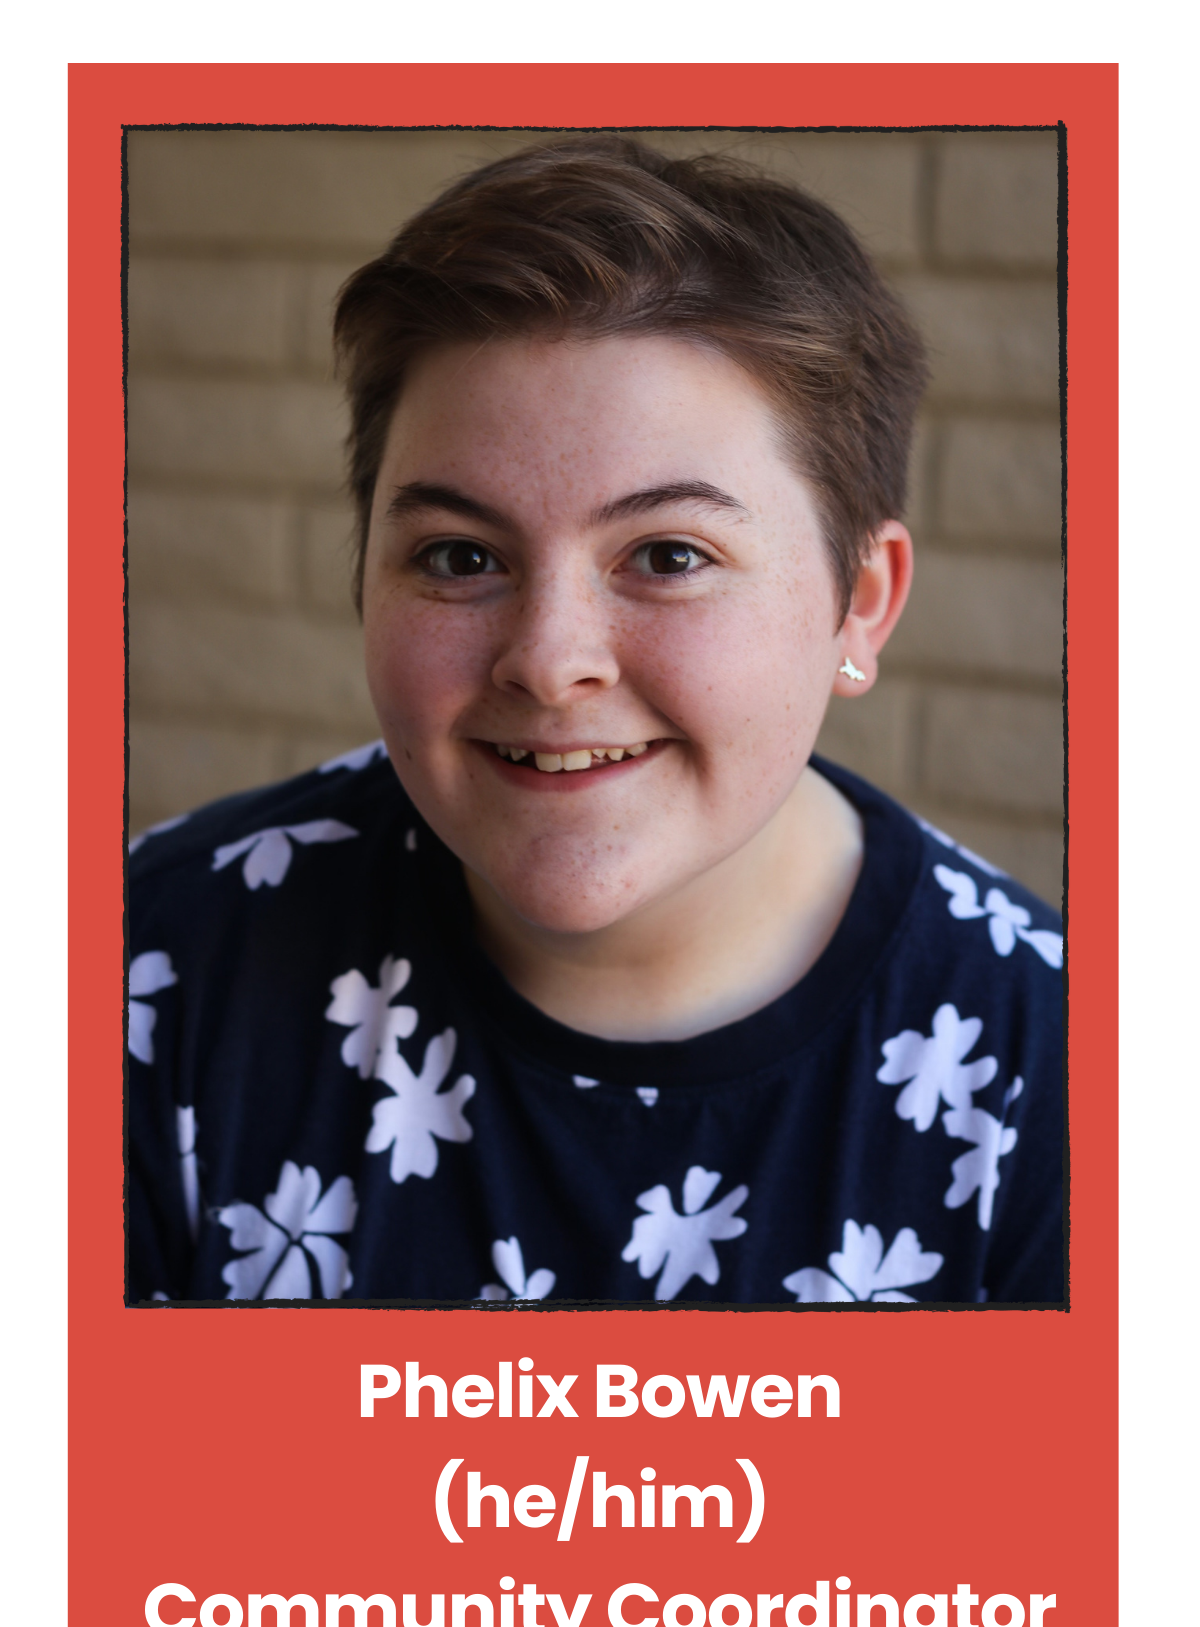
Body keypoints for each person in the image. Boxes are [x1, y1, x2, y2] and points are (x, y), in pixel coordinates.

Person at [128, 136, 1063, 1306]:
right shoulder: (142, 976)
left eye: (669, 555)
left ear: (859, 603)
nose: (550, 661)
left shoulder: (1064, 1086)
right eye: (459, 556)